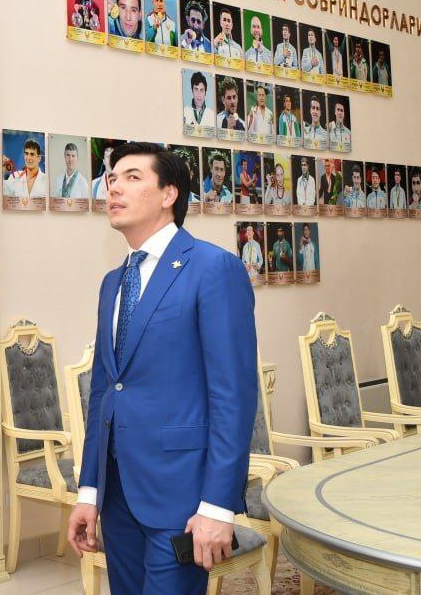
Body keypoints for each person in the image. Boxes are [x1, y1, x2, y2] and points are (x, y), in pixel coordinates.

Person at [66, 143, 257, 593]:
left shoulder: (214, 268)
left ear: (170, 193)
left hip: (182, 496)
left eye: (133, 177)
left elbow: (232, 396)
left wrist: (217, 505)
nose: (115, 188)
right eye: (112, 179)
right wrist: (90, 491)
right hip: (118, 494)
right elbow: (104, 393)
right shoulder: (113, 283)